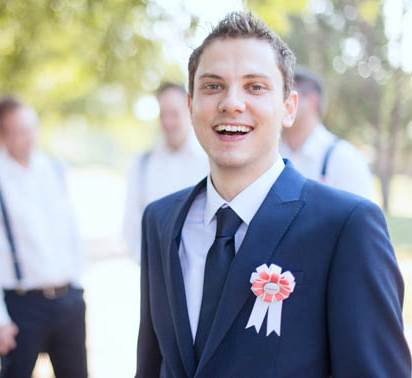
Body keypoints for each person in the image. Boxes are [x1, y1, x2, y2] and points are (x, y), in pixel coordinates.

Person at [136, 12, 410, 377]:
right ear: (190, 105)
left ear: (289, 108)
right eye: (213, 86)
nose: (232, 103)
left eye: (255, 87)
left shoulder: (347, 227)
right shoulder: (160, 220)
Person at [0, 97, 87, 378]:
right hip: (21, 307)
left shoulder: (54, 170)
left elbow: (72, 233)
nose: (28, 137)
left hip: (68, 301)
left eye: (31, 128)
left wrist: (77, 287)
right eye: (19, 131)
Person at [123, 82, 208, 263]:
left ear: (190, 110)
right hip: (156, 272)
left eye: (174, 114)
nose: (168, 123)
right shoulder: (142, 164)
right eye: (163, 115)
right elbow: (131, 222)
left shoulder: (210, 161)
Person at [280, 67, 374, 199]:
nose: (279, 105)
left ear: (312, 102)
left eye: (286, 98)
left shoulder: (344, 159)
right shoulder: (272, 155)